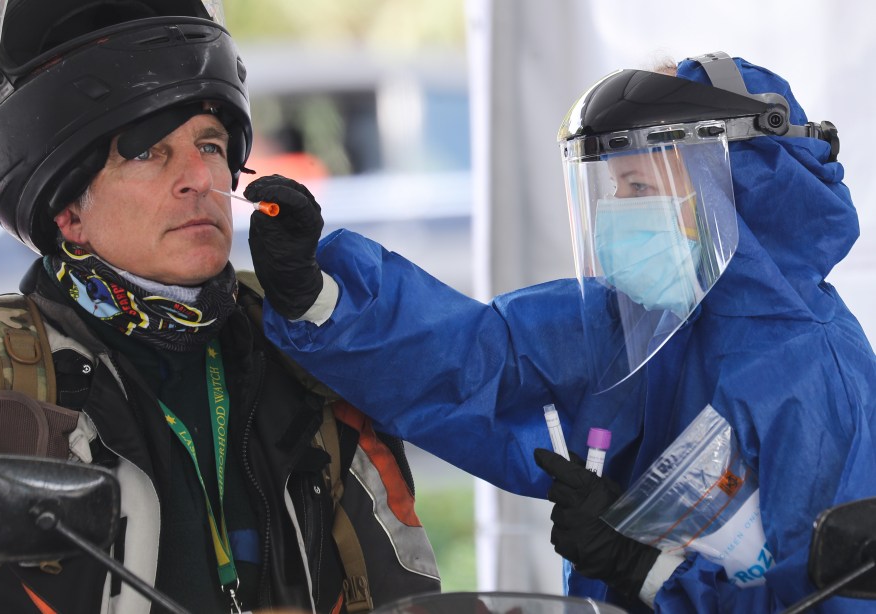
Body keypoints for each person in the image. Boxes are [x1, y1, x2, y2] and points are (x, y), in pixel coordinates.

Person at [249, 52, 876, 612]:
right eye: (609, 189)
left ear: (728, 192)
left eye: (638, 188)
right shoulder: (633, 320)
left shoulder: (815, 373)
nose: (613, 213)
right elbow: (479, 363)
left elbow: (836, 599)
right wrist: (319, 298)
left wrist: (644, 570)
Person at [0, 1, 439, 612]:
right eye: (147, 152)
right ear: (69, 214)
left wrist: (324, 310)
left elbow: (404, 587)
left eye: (212, 144)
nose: (199, 177)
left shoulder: (304, 350)